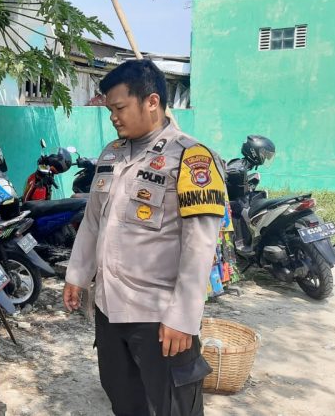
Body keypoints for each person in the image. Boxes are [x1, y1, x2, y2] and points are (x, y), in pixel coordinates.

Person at [63, 60, 225, 416]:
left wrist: (183, 317)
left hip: (159, 316)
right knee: (125, 402)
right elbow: (93, 221)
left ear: (152, 101)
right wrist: (77, 275)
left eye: (119, 108)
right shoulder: (112, 153)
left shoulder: (191, 158)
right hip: (109, 309)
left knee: (174, 408)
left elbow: (199, 245)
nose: (113, 117)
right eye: (110, 109)